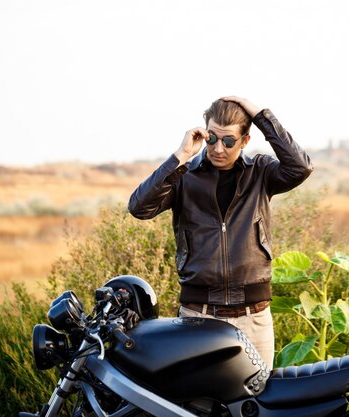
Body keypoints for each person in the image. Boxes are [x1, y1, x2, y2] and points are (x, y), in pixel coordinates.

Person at [128, 96, 312, 368]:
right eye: (212, 138)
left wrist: (260, 115)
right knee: (199, 403)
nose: (218, 148)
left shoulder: (260, 172)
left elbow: (300, 167)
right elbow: (139, 207)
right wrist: (180, 156)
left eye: (228, 141)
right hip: (198, 317)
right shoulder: (184, 176)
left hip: (255, 317)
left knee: (256, 403)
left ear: (245, 141)